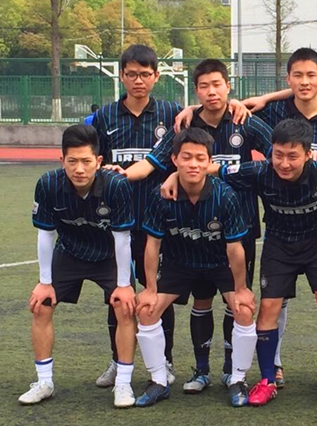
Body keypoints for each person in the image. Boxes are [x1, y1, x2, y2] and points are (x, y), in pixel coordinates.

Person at [173, 47, 317, 387]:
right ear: (288, 80)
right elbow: (229, 130)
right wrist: (180, 168)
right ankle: (272, 368)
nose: (304, 82)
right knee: (275, 300)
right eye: (297, 76)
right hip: (278, 229)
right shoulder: (272, 113)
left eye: (311, 75)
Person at [137, 59, 272, 393]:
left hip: (239, 226)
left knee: (236, 301)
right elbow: (156, 162)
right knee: (201, 300)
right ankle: (200, 371)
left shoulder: (245, 120)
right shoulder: (186, 123)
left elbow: (279, 158)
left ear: (228, 86)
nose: (212, 92)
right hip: (192, 229)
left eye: (217, 85)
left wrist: (225, 173)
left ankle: (231, 371)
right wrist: (169, 174)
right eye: (204, 86)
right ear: (196, 91)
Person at [216, 119, 317, 407]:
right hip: (279, 246)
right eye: (278, 155)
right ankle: (267, 380)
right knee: (269, 308)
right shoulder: (259, 171)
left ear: (309, 154)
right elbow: (216, 170)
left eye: (293, 156)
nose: (284, 163)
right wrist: (175, 178)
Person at [134, 127, 255, 407]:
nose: (193, 164)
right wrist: (150, 288)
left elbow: (235, 249)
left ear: (209, 162)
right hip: (180, 262)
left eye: (200, 158)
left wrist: (241, 288)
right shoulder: (161, 195)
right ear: (174, 159)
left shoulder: (225, 196)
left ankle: (237, 379)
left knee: (244, 309)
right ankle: (159, 381)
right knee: (147, 310)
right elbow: (152, 245)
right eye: (186, 157)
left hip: (218, 263)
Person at [19, 125, 137, 408]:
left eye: (86, 161)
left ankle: (123, 383)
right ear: (62, 160)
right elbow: (46, 234)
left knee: (125, 307)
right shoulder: (48, 184)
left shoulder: (117, 186)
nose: (79, 169)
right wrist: (44, 282)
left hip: (109, 255)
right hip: (70, 251)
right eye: (72, 161)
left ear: (99, 160)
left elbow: (123, 239)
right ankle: (44, 382)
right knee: (41, 305)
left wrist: (124, 285)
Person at [90, 44, 182, 388]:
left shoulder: (173, 113)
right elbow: (93, 162)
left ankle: (165, 360)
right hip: (117, 224)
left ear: (156, 76)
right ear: (121, 76)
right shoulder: (104, 117)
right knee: (118, 294)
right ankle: (118, 360)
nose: (138, 80)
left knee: (159, 293)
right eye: (131, 74)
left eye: (145, 74)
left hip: (159, 222)